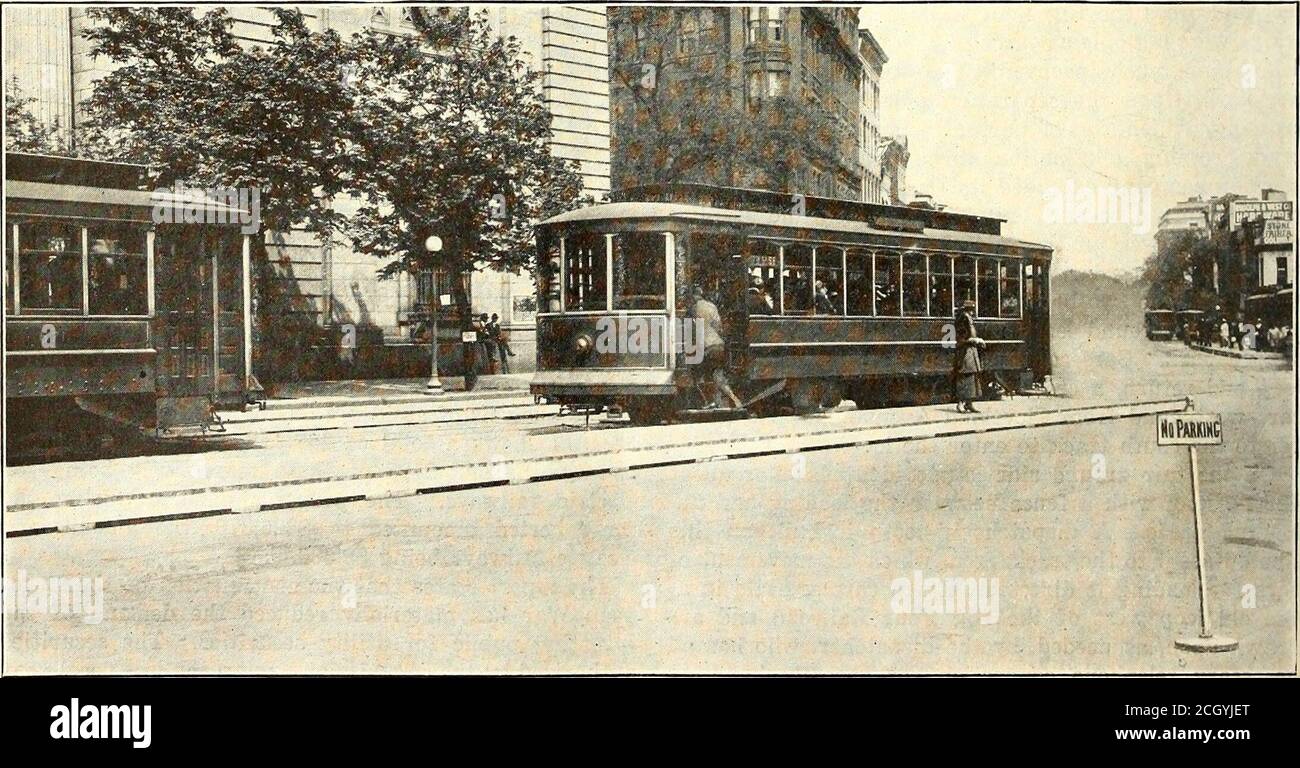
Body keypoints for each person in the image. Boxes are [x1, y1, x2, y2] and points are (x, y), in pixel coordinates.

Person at [689, 285, 741, 409]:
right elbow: (718, 326)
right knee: (718, 376)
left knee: (698, 376)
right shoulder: (712, 306)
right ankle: (734, 399)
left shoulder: (693, 308)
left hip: (706, 347)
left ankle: (709, 401)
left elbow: (691, 329)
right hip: (718, 345)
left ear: (693, 296)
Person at [952, 299, 985, 413]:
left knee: (972, 377)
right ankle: (960, 403)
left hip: (971, 350)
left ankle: (969, 403)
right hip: (965, 351)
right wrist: (976, 340)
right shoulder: (963, 319)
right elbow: (962, 338)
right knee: (965, 376)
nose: (972, 312)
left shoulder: (968, 319)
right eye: (971, 310)